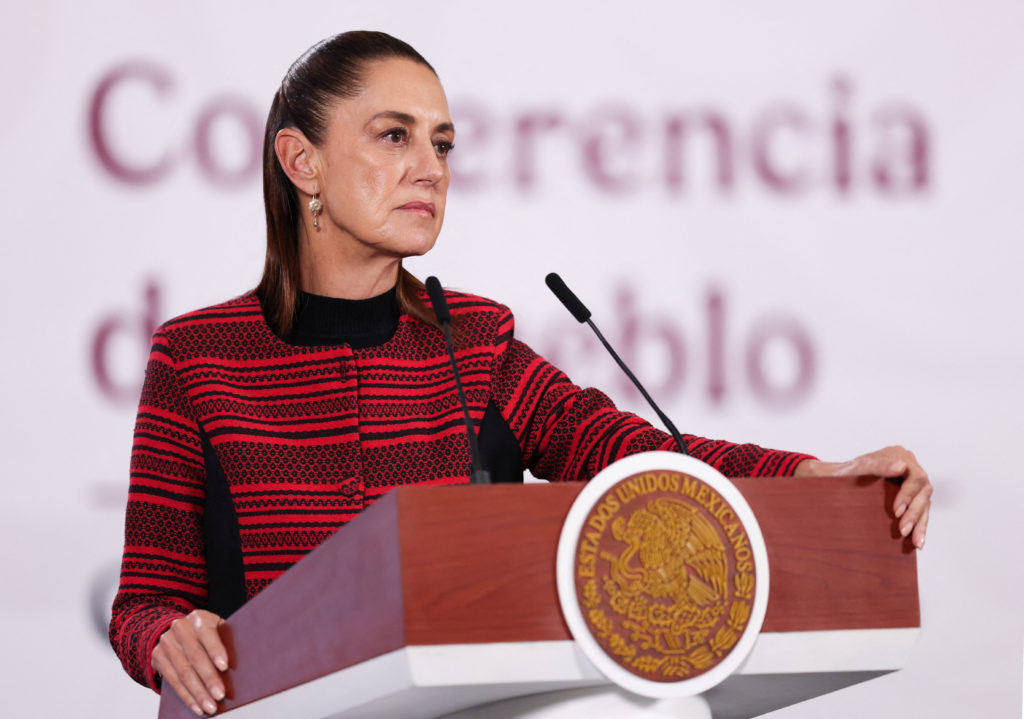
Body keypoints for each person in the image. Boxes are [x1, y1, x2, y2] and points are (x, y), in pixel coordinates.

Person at [109, 31, 932, 718]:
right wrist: (165, 638)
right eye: (394, 136)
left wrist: (810, 478)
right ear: (302, 161)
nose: (431, 167)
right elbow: (144, 603)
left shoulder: (474, 341)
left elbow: (628, 454)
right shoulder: (197, 357)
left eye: (442, 143)